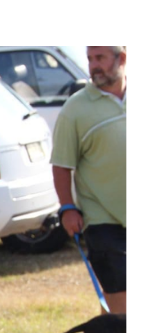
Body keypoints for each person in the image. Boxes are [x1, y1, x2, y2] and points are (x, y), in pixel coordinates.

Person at [51, 46, 127, 314]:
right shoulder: (75, 108)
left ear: (122, 58)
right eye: (90, 59)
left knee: (117, 307)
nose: (93, 66)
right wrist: (67, 207)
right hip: (101, 218)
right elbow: (61, 165)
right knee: (122, 303)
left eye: (100, 58)